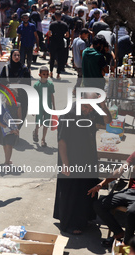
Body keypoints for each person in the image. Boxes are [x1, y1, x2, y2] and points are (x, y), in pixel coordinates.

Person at [53, 92, 112, 235]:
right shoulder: (68, 113)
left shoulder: (92, 110)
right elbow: (61, 140)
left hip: (88, 157)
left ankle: (84, 219)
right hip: (71, 158)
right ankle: (70, 224)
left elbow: (108, 121)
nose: (88, 110)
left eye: (91, 108)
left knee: (86, 190)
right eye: (86, 107)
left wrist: (103, 106)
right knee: (71, 192)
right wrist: (65, 163)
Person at [88, 151, 135, 245]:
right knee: (98, 205)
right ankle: (119, 232)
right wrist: (101, 184)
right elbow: (120, 170)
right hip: (130, 191)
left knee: (132, 211)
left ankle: (127, 243)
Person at [0, 49, 31, 126]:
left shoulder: (24, 69)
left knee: (21, 116)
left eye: (18, 55)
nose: (17, 57)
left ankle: (16, 131)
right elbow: (1, 83)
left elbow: (28, 84)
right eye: (15, 55)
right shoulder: (6, 69)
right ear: (11, 56)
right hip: (8, 98)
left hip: (21, 97)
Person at [32, 66, 55, 147]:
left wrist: (54, 107)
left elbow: (52, 95)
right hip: (39, 106)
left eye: (47, 74)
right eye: (44, 74)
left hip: (48, 106)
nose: (46, 76)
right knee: (39, 122)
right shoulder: (36, 85)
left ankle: (43, 139)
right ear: (40, 75)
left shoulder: (50, 84)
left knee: (46, 123)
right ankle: (36, 131)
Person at [48, 11, 69, 79]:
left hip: (53, 42)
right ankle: (58, 74)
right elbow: (67, 35)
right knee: (60, 58)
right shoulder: (65, 24)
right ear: (61, 16)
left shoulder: (52, 24)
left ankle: (51, 72)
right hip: (61, 42)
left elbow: (49, 34)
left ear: (55, 16)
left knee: (52, 58)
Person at [72, 28, 89, 95]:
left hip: (76, 62)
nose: (87, 37)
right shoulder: (82, 43)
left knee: (80, 77)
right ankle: (75, 90)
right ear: (83, 34)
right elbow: (82, 54)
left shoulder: (75, 40)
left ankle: (76, 90)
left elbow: (73, 50)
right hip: (80, 63)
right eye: (87, 35)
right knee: (81, 78)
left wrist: (73, 60)